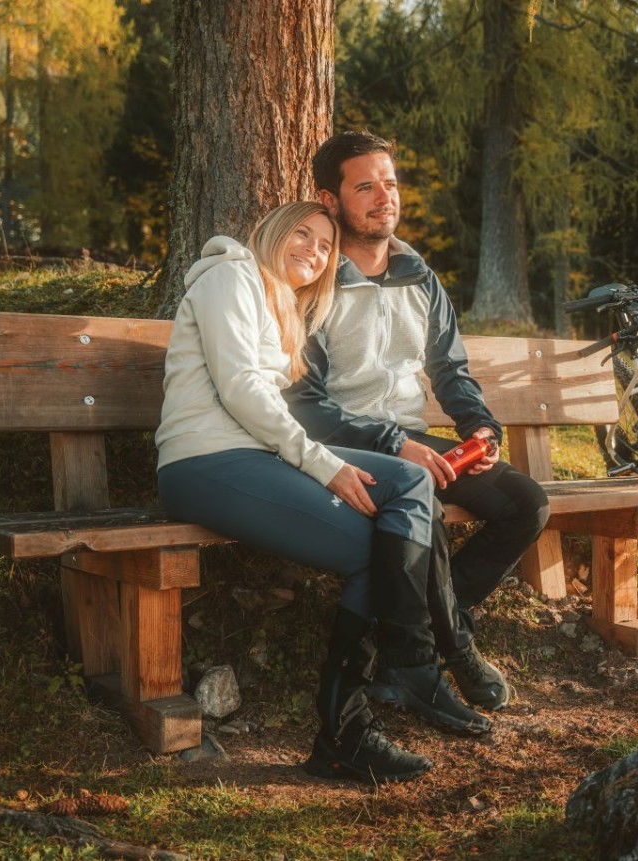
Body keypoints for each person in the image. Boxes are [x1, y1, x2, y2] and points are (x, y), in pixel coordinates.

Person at [156, 201, 489, 786]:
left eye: (325, 246)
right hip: (204, 462)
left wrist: (319, 460)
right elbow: (240, 389)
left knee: (405, 490)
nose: (313, 250)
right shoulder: (229, 276)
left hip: (255, 458)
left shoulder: (281, 304)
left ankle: (388, 686)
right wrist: (322, 464)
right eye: (303, 234)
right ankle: (379, 698)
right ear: (271, 231)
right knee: (381, 542)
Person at [285, 131, 551, 712]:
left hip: (410, 440)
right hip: (346, 445)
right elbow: (305, 406)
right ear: (330, 200)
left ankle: (427, 630)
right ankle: (453, 650)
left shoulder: (419, 275)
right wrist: (392, 444)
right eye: (365, 187)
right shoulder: (312, 284)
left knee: (526, 503)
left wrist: (480, 428)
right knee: (420, 498)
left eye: (390, 183)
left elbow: (450, 369)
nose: (385, 197)